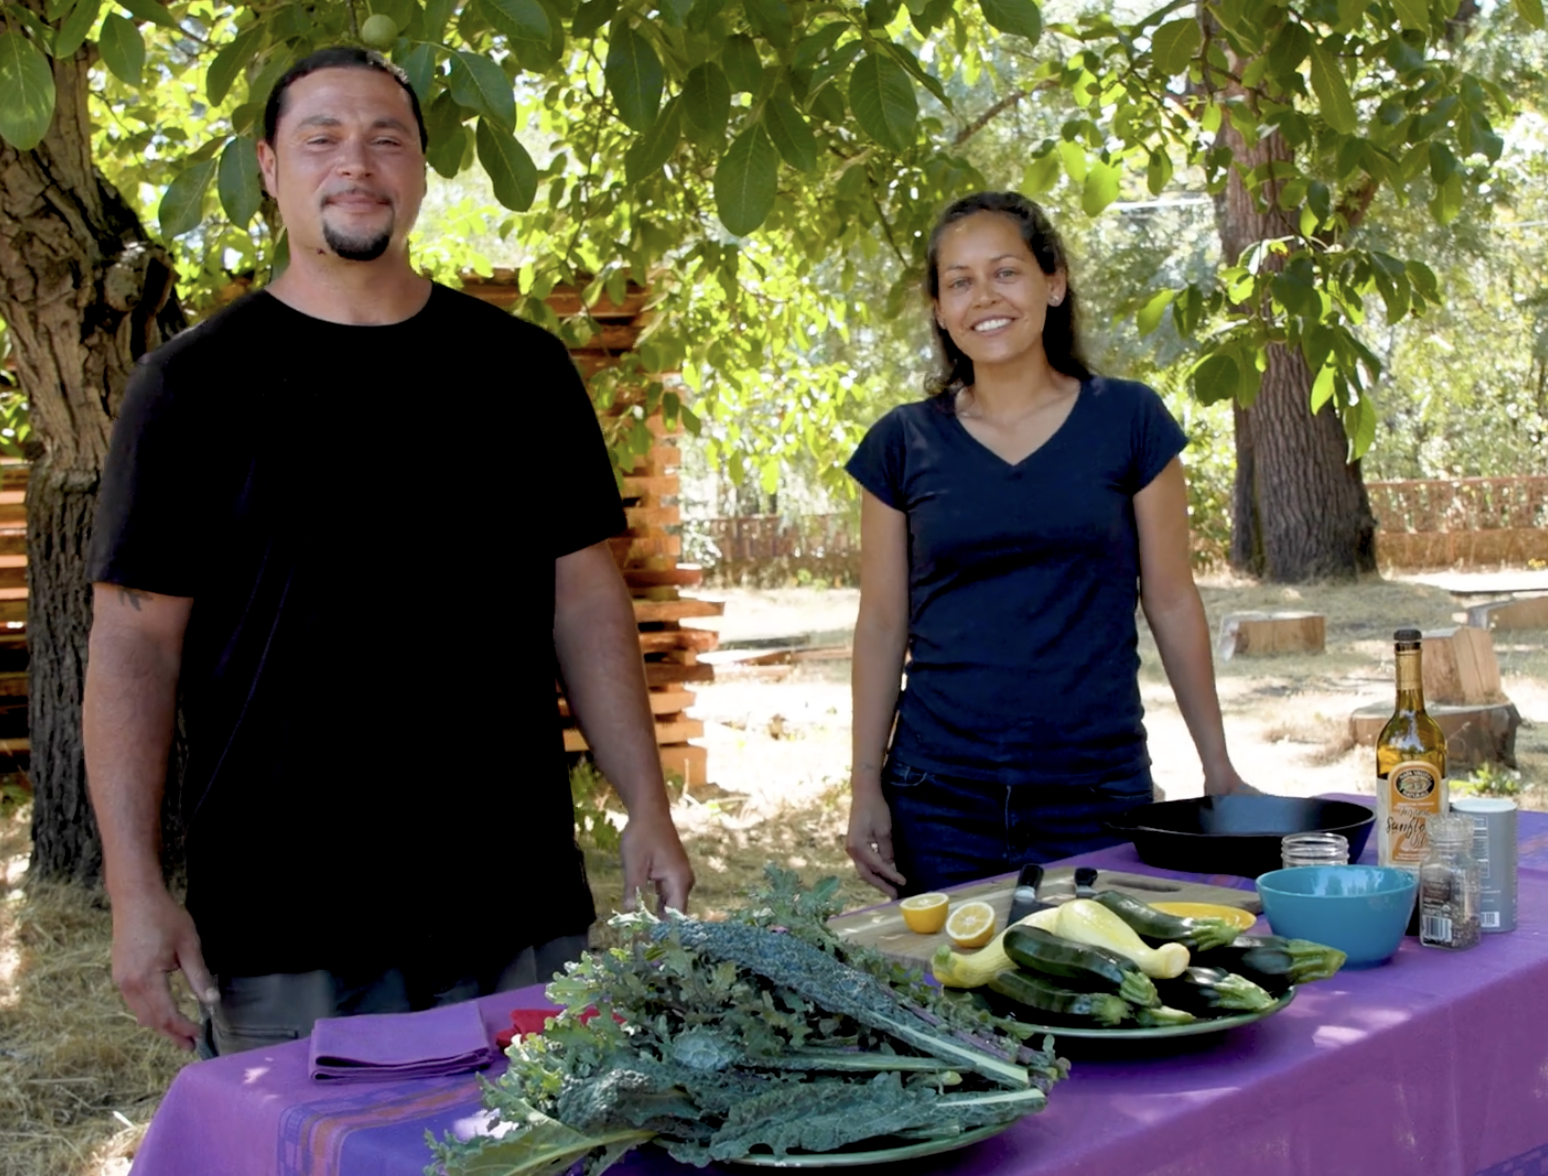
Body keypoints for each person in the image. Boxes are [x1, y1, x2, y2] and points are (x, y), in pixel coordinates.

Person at [81, 46, 693, 1057]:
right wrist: (134, 892)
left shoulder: (522, 376)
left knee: (546, 1161)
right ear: (271, 167)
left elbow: (585, 604)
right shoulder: (191, 390)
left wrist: (649, 809)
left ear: (418, 170)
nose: (355, 163)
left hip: (516, 899)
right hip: (290, 919)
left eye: (386, 139)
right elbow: (133, 645)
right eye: (321, 138)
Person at [845, 191, 1252, 899]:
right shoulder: (900, 444)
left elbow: (1173, 600)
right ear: (939, 309)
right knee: (946, 1007)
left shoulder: (1130, 421)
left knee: (1102, 1002)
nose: (984, 297)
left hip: (1095, 791)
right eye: (959, 282)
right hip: (937, 798)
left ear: (1053, 282)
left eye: (1006, 272)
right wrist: (862, 786)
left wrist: (1218, 768)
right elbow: (881, 624)